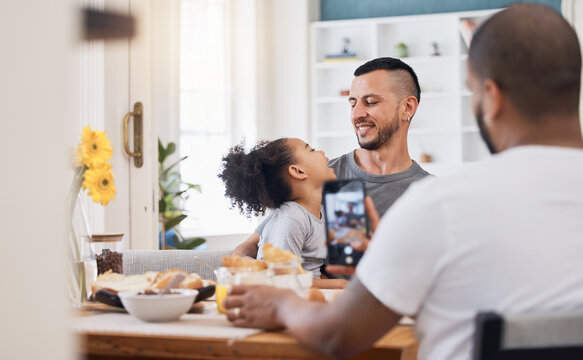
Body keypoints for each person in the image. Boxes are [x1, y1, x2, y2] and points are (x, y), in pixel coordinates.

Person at [223, 4, 583, 360]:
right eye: (353, 102)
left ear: (492, 97)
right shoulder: (334, 183)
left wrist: (286, 304)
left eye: (472, 91)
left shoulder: (438, 204)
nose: (358, 112)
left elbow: (339, 334)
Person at [231, 57, 431, 258]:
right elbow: (249, 247)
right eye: (352, 104)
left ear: (407, 108)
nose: (357, 114)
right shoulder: (319, 178)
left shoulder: (429, 192)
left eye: (371, 102)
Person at [218, 138, 336, 278]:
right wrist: (342, 285)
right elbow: (284, 279)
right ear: (298, 171)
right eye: (311, 150)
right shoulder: (291, 218)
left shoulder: (318, 213)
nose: (321, 151)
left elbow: (313, 271)